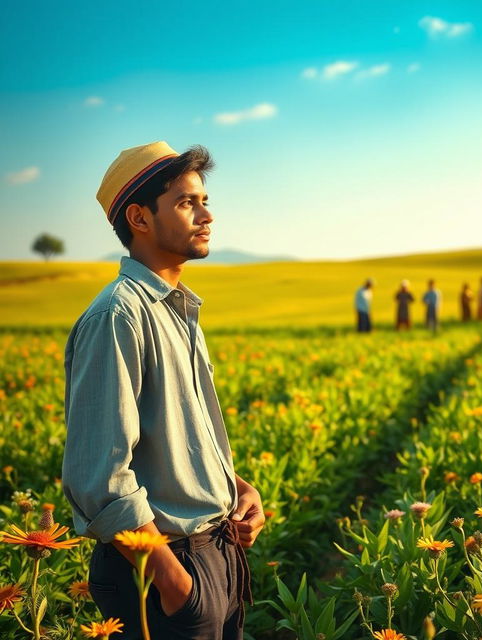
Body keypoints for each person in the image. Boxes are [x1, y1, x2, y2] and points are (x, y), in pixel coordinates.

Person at [62, 142, 265, 640]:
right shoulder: (118, 316)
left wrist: (237, 490)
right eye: (186, 202)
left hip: (216, 557)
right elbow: (100, 479)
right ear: (140, 217)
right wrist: (178, 589)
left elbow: (182, 439)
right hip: (163, 571)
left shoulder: (178, 309)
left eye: (204, 199)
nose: (207, 214)